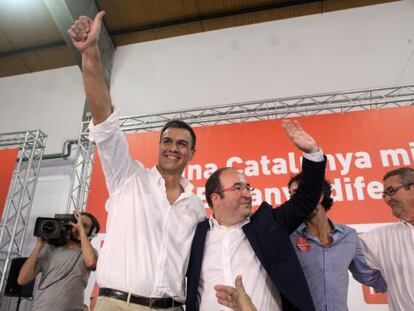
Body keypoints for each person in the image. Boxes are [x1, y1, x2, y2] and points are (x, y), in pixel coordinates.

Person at [67, 12, 205, 310]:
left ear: (192, 154)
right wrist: (91, 54)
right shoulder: (127, 177)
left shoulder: (195, 206)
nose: (173, 148)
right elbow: (104, 120)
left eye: (182, 144)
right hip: (116, 304)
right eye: (167, 140)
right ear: (159, 146)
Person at [186, 120, 326, 311]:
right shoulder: (196, 234)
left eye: (248, 188)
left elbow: (306, 199)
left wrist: (312, 154)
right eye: (237, 188)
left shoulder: (269, 224)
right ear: (216, 198)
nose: (247, 194)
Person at [288, 174, 386, 311]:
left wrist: (400, 282)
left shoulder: (349, 236)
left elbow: (367, 275)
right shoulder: (287, 237)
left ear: (320, 196)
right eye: (292, 196)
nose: (293, 201)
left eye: (299, 193)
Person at [17, 211, 100, 311]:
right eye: (77, 222)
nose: (78, 226)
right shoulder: (48, 248)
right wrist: (38, 246)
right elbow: (22, 279)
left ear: (91, 232)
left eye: (84, 225)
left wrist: (81, 231)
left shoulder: (91, 252)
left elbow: (91, 262)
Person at [359, 167, 414, 311]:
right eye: (384, 195)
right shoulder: (378, 238)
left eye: (391, 191)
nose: (387, 199)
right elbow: (338, 246)